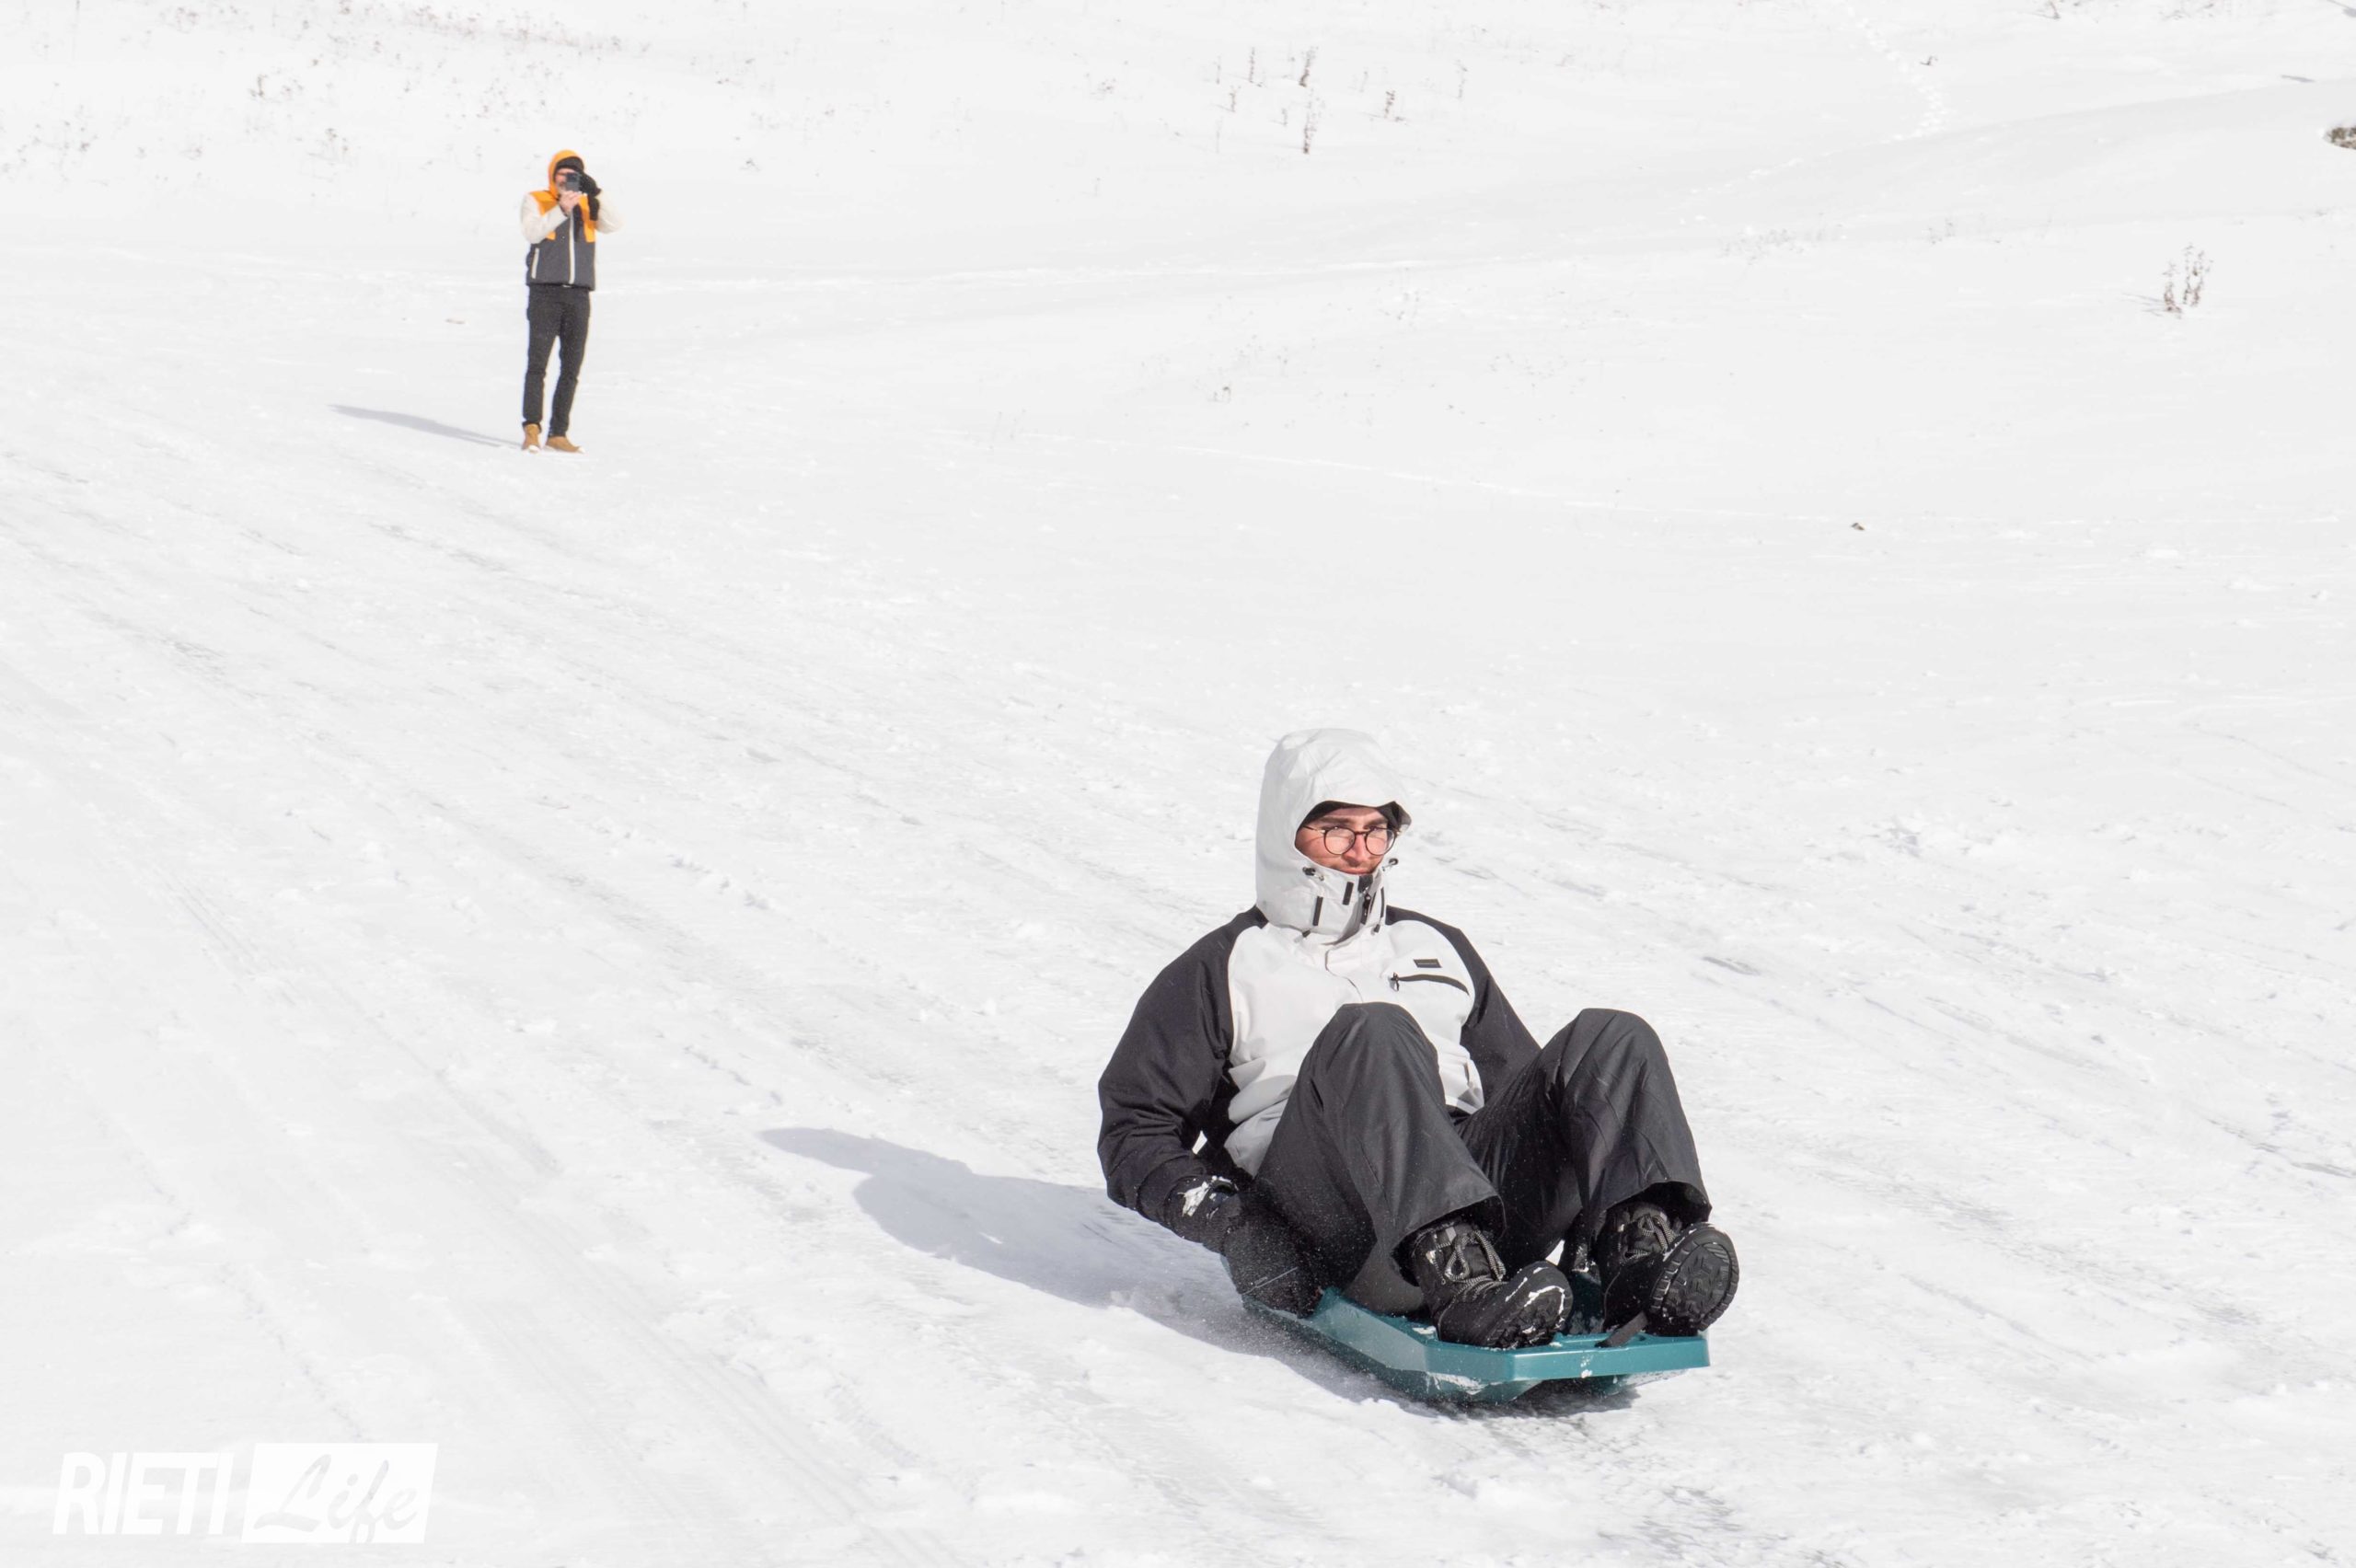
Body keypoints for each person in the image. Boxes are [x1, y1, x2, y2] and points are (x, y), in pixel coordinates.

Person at [1096, 729, 1740, 1349]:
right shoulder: (1222, 968)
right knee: (1373, 1030)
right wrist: (1237, 1229)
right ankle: (1456, 1281)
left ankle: (1638, 1260)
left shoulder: (1435, 945)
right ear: (1284, 834)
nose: (1360, 851)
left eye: (1376, 830)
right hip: (1340, 1231)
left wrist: (1583, 1211)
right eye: (1337, 829)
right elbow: (1135, 1133)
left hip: (1479, 1208)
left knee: (1612, 1037)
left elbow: (1533, 1094)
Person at [517, 150, 625, 453]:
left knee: (571, 367)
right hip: (545, 292)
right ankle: (532, 428)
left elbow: (615, 224)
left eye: (573, 175)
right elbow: (532, 232)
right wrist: (561, 209)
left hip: (578, 294)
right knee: (538, 364)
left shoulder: (589, 205)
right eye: (562, 173)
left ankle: (558, 433)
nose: (567, 179)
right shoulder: (537, 200)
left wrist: (597, 193)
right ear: (552, 175)